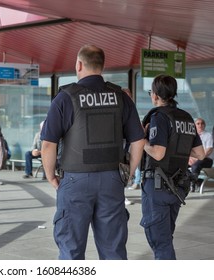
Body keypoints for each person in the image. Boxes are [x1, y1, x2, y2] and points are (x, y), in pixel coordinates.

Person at [40, 44, 145, 260]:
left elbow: (48, 144)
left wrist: (50, 176)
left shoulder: (65, 98)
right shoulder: (120, 96)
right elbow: (138, 141)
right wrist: (127, 173)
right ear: (102, 66)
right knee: (113, 251)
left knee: (71, 251)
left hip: (75, 180)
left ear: (79, 64)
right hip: (112, 180)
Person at [140, 74, 205, 260]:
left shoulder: (159, 117)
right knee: (166, 238)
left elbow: (158, 153)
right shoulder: (186, 117)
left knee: (160, 243)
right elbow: (199, 153)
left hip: (158, 186)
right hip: (177, 187)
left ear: (155, 95)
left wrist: (143, 140)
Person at [188, 118, 213, 192]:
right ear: (194, 125)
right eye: (198, 123)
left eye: (202, 123)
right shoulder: (192, 136)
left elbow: (209, 150)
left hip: (207, 160)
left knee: (195, 165)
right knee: (181, 165)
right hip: (194, 159)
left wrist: (198, 158)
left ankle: (192, 184)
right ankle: (197, 181)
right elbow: (188, 150)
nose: (200, 125)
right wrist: (189, 158)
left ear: (204, 125)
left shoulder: (208, 135)